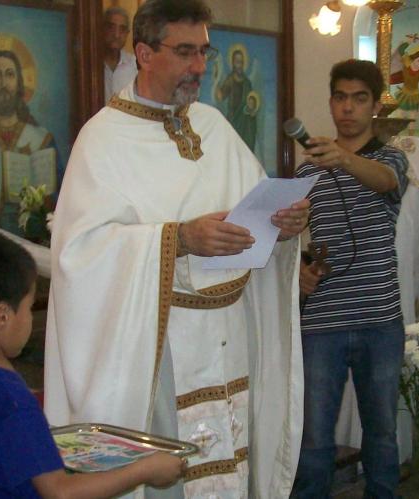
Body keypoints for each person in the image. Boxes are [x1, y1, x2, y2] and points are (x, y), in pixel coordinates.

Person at [44, 1, 309, 497]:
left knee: (232, 461)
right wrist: (179, 239)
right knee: (174, 478)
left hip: (230, 339)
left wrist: (287, 225)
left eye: (204, 52)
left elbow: (255, 214)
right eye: (184, 52)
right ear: (143, 52)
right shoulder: (102, 139)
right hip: (157, 344)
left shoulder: (213, 126)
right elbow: (80, 254)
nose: (199, 67)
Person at [0, 229, 185, 498]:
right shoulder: (13, 400)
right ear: (1, 316)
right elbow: (61, 493)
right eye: (28, 307)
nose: (30, 317)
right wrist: (144, 470)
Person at [291, 59, 410, 499]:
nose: (348, 108)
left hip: (379, 319)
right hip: (322, 320)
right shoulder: (307, 172)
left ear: (375, 106)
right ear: (330, 102)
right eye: (340, 97)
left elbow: (383, 182)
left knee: (380, 433)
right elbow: (296, 235)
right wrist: (298, 271)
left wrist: (342, 158)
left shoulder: (391, 159)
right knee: (315, 438)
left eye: (359, 98)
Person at [0, 49, 61, 231]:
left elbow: (60, 198)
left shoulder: (42, 139)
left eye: (10, 75)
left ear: (19, 83)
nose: (4, 83)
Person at [213, 47, 254, 149]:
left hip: (245, 123)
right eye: (237, 62)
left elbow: (252, 102)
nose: (239, 65)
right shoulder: (230, 80)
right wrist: (216, 80)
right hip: (233, 120)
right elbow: (220, 97)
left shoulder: (247, 82)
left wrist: (251, 110)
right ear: (232, 63)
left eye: (241, 62)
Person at [103, 6, 138, 102]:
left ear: (127, 33)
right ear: (102, 28)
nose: (116, 35)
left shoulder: (135, 65)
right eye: (111, 28)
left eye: (122, 29)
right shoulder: (89, 65)